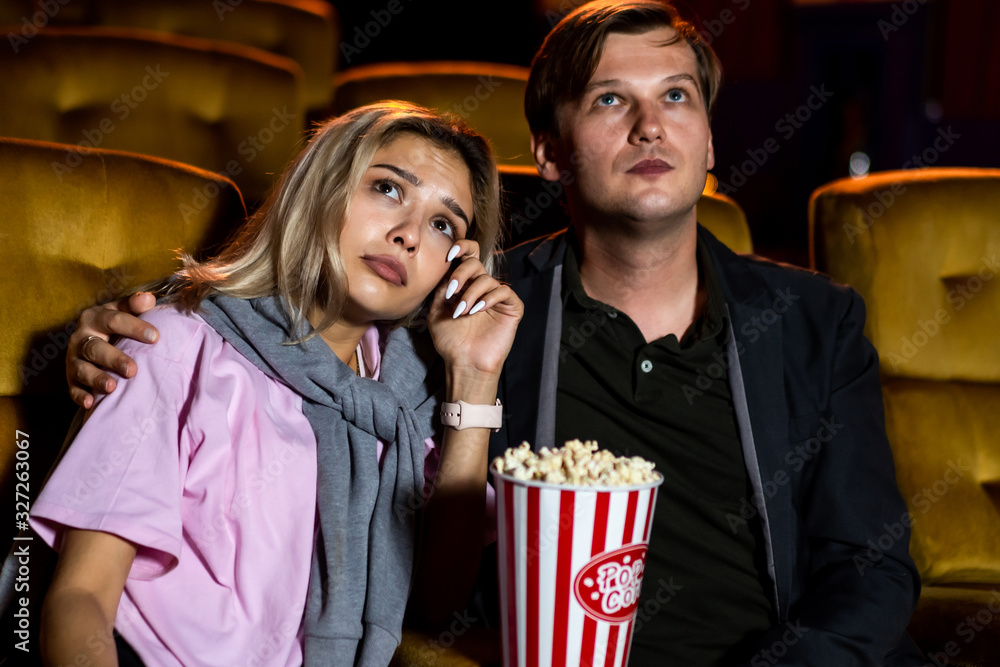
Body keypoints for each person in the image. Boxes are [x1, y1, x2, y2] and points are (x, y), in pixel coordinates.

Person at [65, 2, 927, 665]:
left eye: (676, 97)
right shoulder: (471, 309)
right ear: (549, 151)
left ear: (709, 142)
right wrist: (130, 324)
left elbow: (873, 566)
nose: (649, 125)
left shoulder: (815, 324)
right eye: (608, 100)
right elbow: (293, 325)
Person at [32, 102, 522, 667]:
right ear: (320, 191)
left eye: (444, 225)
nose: (410, 235)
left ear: (453, 269)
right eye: (388, 189)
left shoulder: (402, 408)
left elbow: (440, 603)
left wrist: (476, 379)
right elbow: (80, 600)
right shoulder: (175, 344)